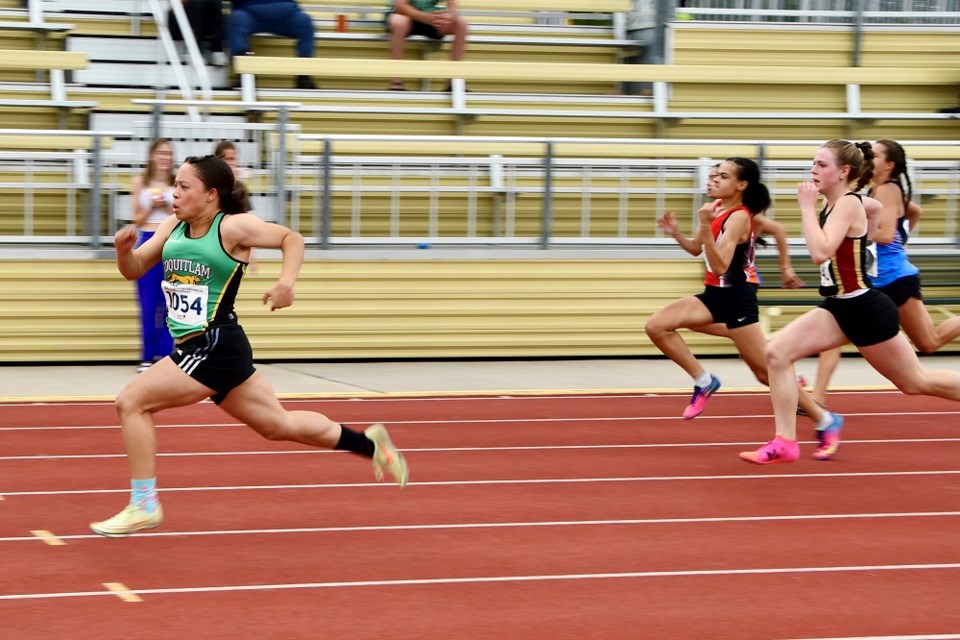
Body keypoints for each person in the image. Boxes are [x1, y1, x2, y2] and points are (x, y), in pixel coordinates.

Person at [90, 155, 409, 537]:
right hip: (209, 348)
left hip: (213, 344)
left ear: (210, 195)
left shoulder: (233, 228)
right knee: (278, 425)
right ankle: (370, 444)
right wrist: (124, 250)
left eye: (183, 186)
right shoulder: (173, 225)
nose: (173, 193)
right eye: (174, 184)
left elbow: (292, 238)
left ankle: (144, 504)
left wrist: (287, 283)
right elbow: (136, 268)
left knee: (131, 402)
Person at [740, 139, 960, 465]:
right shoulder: (847, 202)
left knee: (915, 382)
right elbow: (875, 208)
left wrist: (804, 208)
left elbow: (819, 253)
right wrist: (870, 226)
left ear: (843, 171)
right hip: (839, 306)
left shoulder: (843, 204)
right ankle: (785, 441)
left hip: (865, 308)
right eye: (813, 163)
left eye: (822, 165)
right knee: (776, 353)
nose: (813, 170)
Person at [646, 158, 841, 432]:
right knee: (657, 326)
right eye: (713, 175)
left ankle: (823, 419)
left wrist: (704, 225)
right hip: (714, 293)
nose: (713, 180)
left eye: (723, 176)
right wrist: (676, 233)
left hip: (737, 296)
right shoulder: (716, 210)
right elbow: (695, 249)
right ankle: (704, 380)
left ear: (741, 185)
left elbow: (721, 265)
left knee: (765, 373)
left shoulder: (738, 216)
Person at [130, 139, 176, 373]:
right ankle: (146, 356)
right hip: (147, 239)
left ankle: (166, 356)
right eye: (161, 153)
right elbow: (136, 219)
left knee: (170, 302)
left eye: (168, 153)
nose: (165, 157)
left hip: (170, 242)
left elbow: (183, 214)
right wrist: (152, 205)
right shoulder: (139, 182)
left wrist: (167, 206)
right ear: (151, 155)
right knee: (147, 302)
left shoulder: (177, 183)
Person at [227, 0, 316, 89]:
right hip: (250, 15)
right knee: (236, 19)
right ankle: (244, 72)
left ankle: (304, 75)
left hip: (287, 15)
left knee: (304, 20)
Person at [385, 0, 468, 91]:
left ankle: (453, 82)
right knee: (399, 22)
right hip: (405, 15)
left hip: (430, 17)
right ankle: (397, 82)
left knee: (461, 23)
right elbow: (400, 7)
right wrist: (426, 18)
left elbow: (452, 5)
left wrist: (448, 18)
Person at [168, 0, 227, 66]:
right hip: (178, 17)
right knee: (199, 2)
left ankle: (216, 50)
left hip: (203, 21)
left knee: (216, 2)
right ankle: (193, 49)